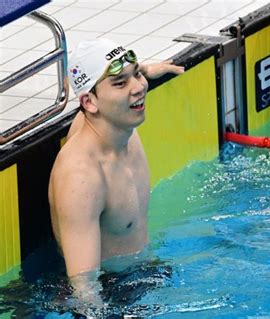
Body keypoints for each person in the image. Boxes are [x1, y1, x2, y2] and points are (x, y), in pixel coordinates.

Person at [48, 38, 184, 305]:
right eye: (121, 83)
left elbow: (107, 82)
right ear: (89, 102)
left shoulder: (118, 126)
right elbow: (84, 289)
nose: (139, 88)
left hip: (142, 274)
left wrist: (142, 72)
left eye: (136, 75)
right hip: (112, 294)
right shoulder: (82, 177)